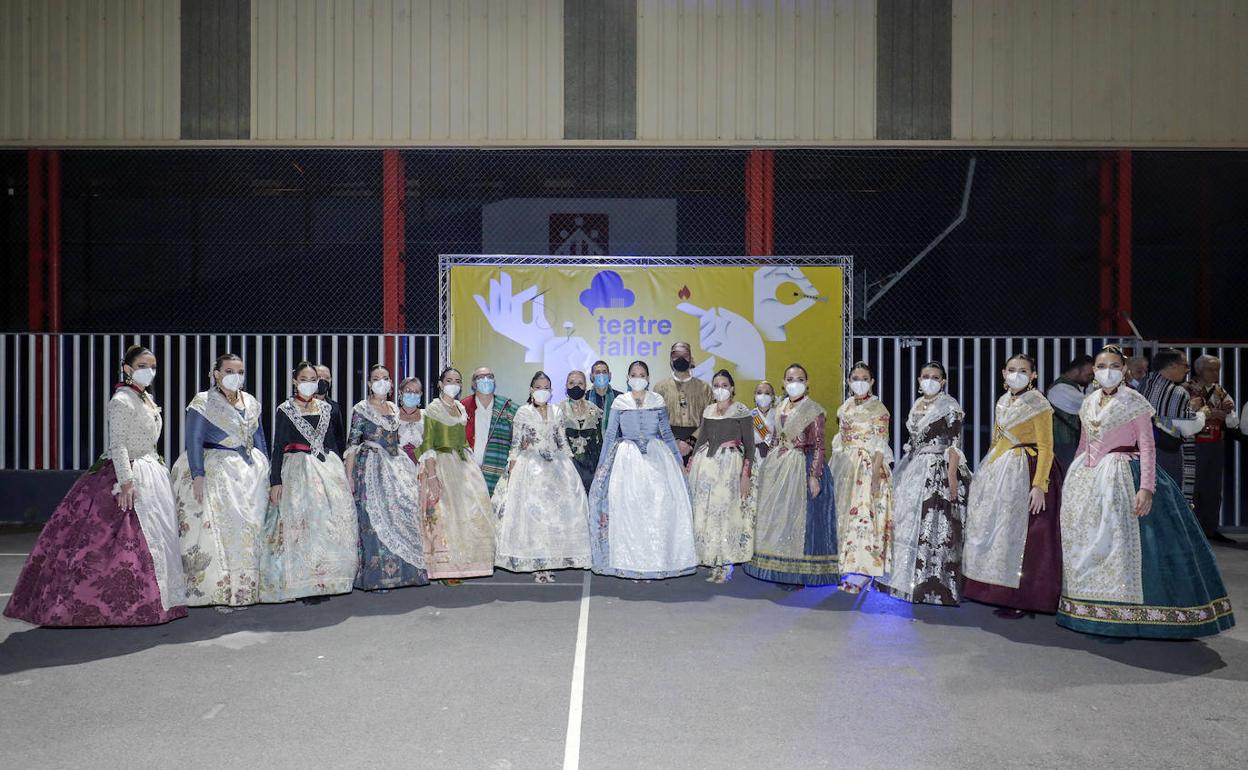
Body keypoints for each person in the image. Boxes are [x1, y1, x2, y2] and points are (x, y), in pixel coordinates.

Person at [1057, 345, 1234, 639]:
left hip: (1125, 474)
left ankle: (1136, 615)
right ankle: (1092, 610)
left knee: (1130, 545)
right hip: (1091, 479)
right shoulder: (1088, 402)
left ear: (1124, 370)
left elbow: (1147, 445)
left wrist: (1147, 488)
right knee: (1092, 544)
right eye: (1101, 366)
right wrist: (1075, 477)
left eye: (1114, 365)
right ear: (1094, 371)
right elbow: (1084, 443)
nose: (1107, 371)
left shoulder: (1134, 400)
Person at [5, 345, 186, 626]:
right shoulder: (122, 400)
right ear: (127, 368)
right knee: (118, 542)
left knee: (158, 539)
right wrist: (126, 482)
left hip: (151, 471)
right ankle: (111, 606)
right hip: (128, 473)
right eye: (142, 366)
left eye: (153, 366)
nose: (149, 371)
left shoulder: (146, 399)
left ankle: (164, 600)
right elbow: (119, 445)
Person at [963, 353, 1065, 618]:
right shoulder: (1003, 401)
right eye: (1011, 369)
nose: (1016, 374)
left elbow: (1046, 446)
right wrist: (986, 470)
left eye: (1023, 370)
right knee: (999, 531)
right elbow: (996, 440)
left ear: (1033, 376)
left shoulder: (1038, 403)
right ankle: (993, 590)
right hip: (1001, 469)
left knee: (1027, 535)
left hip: (1027, 469)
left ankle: (1025, 596)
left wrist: (1040, 485)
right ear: (1003, 373)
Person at [171, 352, 269, 612]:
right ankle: (221, 591)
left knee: (249, 531)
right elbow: (193, 440)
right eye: (228, 371)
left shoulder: (250, 401)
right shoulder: (203, 402)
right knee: (222, 532)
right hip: (217, 471)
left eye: (239, 371)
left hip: (250, 473)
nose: (234, 376)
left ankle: (246, 590)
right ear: (216, 374)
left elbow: (258, 437)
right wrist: (197, 475)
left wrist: (267, 468)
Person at [588, 360, 698, 579]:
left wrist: (678, 462)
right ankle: (631, 562)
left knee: (656, 507)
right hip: (626, 459)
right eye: (634, 374)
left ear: (647, 378)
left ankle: (655, 562)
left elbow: (666, 433)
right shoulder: (620, 401)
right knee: (628, 509)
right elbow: (610, 435)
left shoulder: (657, 400)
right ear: (628, 378)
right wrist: (602, 466)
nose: (638, 377)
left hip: (656, 456)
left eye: (642, 374)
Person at [261, 361, 358, 604]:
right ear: (295, 381)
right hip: (297, 470)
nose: (308, 383)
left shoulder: (327, 409)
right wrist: (275, 481)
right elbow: (277, 446)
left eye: (312, 379)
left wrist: (340, 473)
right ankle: (304, 585)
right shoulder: (285, 409)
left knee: (326, 526)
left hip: (326, 469)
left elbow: (335, 442)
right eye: (303, 378)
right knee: (301, 527)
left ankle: (324, 580)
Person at [881, 362, 970, 606]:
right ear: (919, 380)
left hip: (938, 469)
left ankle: (932, 585)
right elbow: (913, 442)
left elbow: (954, 444)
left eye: (935, 377)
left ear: (943, 381)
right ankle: (904, 580)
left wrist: (952, 476)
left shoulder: (950, 406)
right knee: (905, 520)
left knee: (933, 524)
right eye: (925, 376)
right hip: (914, 468)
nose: (929, 380)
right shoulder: (917, 405)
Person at [744, 364, 839, 587]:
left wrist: (814, 475)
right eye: (789, 378)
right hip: (779, 466)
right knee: (779, 520)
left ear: (807, 383)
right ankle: (779, 570)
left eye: (799, 378)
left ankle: (798, 574)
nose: (794, 382)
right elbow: (775, 438)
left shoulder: (814, 410)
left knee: (800, 521)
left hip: (801, 466)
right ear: (783, 383)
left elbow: (819, 445)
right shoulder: (780, 408)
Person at [492, 371, 592, 583]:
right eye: (539, 387)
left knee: (554, 518)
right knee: (533, 518)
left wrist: (570, 462)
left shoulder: (557, 411)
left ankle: (550, 561)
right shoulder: (523, 412)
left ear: (551, 391)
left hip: (556, 467)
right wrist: (512, 466)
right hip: (530, 467)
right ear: (531, 390)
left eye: (546, 387)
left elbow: (561, 439)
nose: (543, 391)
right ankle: (536, 564)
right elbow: (516, 442)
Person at [343, 365, 429, 591]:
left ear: (391, 383)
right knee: (374, 519)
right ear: (369, 383)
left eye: (385, 378)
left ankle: (408, 574)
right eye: (376, 378)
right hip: (371, 467)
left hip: (396, 464)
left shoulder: (392, 408)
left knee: (406, 508)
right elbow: (351, 445)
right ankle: (378, 578)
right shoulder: (361, 409)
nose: (381, 382)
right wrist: (349, 477)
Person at [416, 367, 496, 581]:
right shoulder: (433, 408)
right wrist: (432, 476)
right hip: (440, 464)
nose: (453, 384)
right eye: (449, 380)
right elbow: (427, 444)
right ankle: (445, 569)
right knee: (446, 517)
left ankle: (468, 564)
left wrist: (471, 465)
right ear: (440, 384)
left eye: (457, 380)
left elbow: (463, 441)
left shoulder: (460, 408)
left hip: (463, 463)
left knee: (472, 512)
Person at [830, 362, 894, 594]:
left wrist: (876, 473)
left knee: (864, 516)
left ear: (872, 382)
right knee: (844, 515)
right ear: (848, 382)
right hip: (845, 465)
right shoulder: (845, 407)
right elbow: (840, 439)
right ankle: (846, 567)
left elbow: (880, 443)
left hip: (867, 467)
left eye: (864, 377)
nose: (859, 381)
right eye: (855, 377)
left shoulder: (878, 409)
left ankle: (863, 572)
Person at [688, 370, 756, 583]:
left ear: (732, 387)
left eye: (724, 385)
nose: (720, 389)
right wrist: (690, 466)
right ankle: (712, 558)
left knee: (726, 514)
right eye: (716, 385)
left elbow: (751, 446)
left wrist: (745, 475)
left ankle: (726, 563)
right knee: (708, 513)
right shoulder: (708, 410)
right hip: (707, 467)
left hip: (730, 466)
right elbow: (701, 440)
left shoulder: (741, 411)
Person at [1138, 348, 1204, 506]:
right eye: (1185, 365)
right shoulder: (1177, 392)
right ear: (1172, 366)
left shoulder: (1142, 385)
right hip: (1166, 452)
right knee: (1169, 499)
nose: (1187, 370)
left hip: (1140, 451)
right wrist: (1202, 413)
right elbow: (1188, 427)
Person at [1185, 355, 1240, 544]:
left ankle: (1210, 528)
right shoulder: (1186, 389)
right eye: (1211, 369)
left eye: (1217, 369)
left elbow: (1233, 420)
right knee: (1193, 487)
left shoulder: (1220, 391)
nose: (1215, 373)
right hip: (1193, 444)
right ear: (1199, 370)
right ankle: (1192, 529)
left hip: (1215, 444)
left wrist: (1225, 415)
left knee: (1213, 488)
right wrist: (1210, 414)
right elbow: (1183, 416)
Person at [653, 342, 713, 465]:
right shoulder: (660, 387)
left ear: (691, 359)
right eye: (676, 355)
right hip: (668, 445)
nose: (680, 358)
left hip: (698, 445)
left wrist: (691, 442)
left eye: (684, 355)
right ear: (671, 359)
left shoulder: (704, 388)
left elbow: (710, 419)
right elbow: (656, 420)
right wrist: (674, 442)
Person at [462, 366, 518, 496]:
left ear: (494, 381)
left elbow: (519, 439)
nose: (486, 380)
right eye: (480, 377)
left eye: (490, 376)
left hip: (497, 472)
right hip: (468, 474)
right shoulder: (462, 407)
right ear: (473, 384)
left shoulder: (508, 408)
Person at [1048, 355, 1093, 471]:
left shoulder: (1069, 388)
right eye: (1088, 374)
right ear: (1077, 370)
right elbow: (1087, 403)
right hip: (1062, 444)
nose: (1091, 378)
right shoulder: (1060, 389)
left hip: (1067, 443)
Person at [560, 370, 603, 493]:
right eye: (571, 383)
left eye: (580, 383)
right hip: (566, 466)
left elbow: (598, 441)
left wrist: (599, 467)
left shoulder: (594, 410)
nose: (576, 386)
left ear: (586, 386)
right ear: (566, 386)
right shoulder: (558, 410)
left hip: (590, 469)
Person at [314, 363, 348, 451]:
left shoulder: (334, 407)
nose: (323, 380)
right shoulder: (299, 404)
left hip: (330, 457)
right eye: (319, 377)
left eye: (327, 378)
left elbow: (339, 437)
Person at [587, 360, 621, 431]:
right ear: (591, 376)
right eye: (598, 372)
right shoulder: (585, 398)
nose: (601, 375)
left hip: (615, 441)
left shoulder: (620, 398)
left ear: (609, 375)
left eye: (604, 372)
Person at [750, 380, 777, 468]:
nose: (763, 395)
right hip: (754, 459)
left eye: (767, 393)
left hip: (774, 459)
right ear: (754, 396)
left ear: (772, 397)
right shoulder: (748, 416)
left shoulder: (779, 415)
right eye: (759, 393)